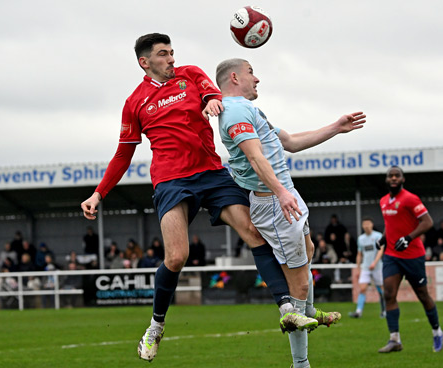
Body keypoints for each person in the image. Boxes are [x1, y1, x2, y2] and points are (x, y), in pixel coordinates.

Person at [80, 33, 316, 362]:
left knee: (252, 232)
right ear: (144, 62)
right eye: (163, 55)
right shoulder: (135, 103)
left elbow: (212, 92)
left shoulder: (190, 74)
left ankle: (287, 308)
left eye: (172, 52)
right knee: (177, 256)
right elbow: (123, 154)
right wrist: (98, 193)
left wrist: (212, 101)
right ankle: (156, 327)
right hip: (171, 181)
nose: (172, 59)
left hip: (211, 173)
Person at [216, 58, 363, 368]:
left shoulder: (251, 110)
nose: (257, 80)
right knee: (299, 285)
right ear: (234, 77)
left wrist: (336, 128)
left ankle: (306, 312)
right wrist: (281, 192)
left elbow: (292, 142)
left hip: (285, 195)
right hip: (274, 201)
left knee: (308, 250)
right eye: (251, 73)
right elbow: (256, 159)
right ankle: (301, 363)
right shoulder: (236, 111)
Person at [376, 166, 443, 353]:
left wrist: (408, 238)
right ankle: (394, 340)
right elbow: (390, 225)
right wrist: (382, 239)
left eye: (397, 175)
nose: (394, 178)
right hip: (391, 256)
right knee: (389, 294)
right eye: (390, 175)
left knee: (423, 295)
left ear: (403, 179)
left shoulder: (410, 198)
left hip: (413, 256)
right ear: (387, 180)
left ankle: (437, 331)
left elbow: (427, 222)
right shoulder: (383, 201)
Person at [349, 217, 385, 318]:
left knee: (381, 290)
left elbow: (380, 250)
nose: (366, 226)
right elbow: (359, 254)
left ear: (372, 224)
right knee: (362, 288)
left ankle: (384, 310)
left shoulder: (378, 236)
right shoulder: (361, 239)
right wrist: (358, 267)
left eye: (368, 224)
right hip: (365, 267)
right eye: (364, 224)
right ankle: (358, 312)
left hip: (377, 267)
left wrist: (374, 262)